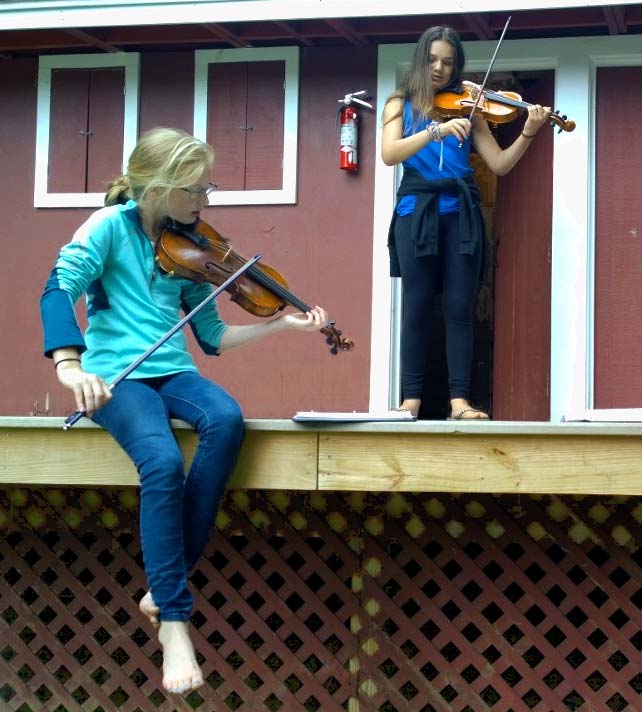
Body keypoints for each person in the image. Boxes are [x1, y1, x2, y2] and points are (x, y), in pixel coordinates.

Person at [40, 127, 329, 694]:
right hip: (118, 375)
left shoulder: (191, 244)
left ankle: (162, 587)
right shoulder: (108, 228)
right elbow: (57, 289)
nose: (204, 202)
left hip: (173, 371)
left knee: (225, 419)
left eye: (207, 189)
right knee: (163, 463)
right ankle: (174, 623)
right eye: (194, 190)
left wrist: (278, 325)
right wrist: (71, 368)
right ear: (154, 188)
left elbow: (213, 336)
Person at [381, 25, 549, 420]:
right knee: (417, 305)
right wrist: (434, 131)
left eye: (449, 61)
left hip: (460, 213)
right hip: (415, 213)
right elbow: (390, 154)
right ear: (421, 59)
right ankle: (410, 401)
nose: (440, 68)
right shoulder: (398, 103)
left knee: (459, 306)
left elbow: (499, 165)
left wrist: (527, 131)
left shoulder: (469, 107)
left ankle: (460, 402)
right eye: (433, 59)